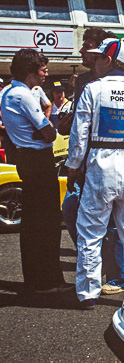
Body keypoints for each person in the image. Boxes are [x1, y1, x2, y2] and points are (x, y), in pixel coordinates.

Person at [66, 38, 124, 310]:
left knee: (91, 231)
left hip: (100, 166)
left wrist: (73, 166)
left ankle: (87, 292)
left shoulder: (93, 89)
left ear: (108, 60)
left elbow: (79, 134)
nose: (94, 62)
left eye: (97, 58)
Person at [1, 49, 66, 295]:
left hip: (24, 157)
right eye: (42, 69)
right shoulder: (24, 95)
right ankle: (49, 281)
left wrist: (42, 131)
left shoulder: (8, 92)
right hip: (38, 160)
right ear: (30, 71)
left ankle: (34, 279)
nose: (46, 74)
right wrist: (46, 130)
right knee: (47, 222)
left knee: (31, 222)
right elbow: (50, 134)